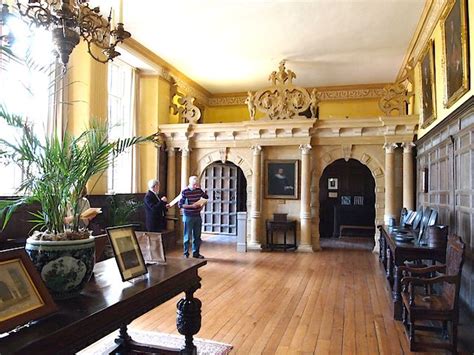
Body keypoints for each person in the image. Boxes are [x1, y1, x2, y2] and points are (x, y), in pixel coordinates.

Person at [178, 175, 208, 259]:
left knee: (197, 236)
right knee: (187, 236)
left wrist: (203, 203)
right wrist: (192, 206)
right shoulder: (185, 192)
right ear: (190, 183)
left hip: (197, 215)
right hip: (188, 216)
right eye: (194, 184)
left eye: (196, 184)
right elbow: (180, 205)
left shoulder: (199, 190)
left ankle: (196, 253)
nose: (195, 186)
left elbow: (206, 197)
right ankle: (186, 253)